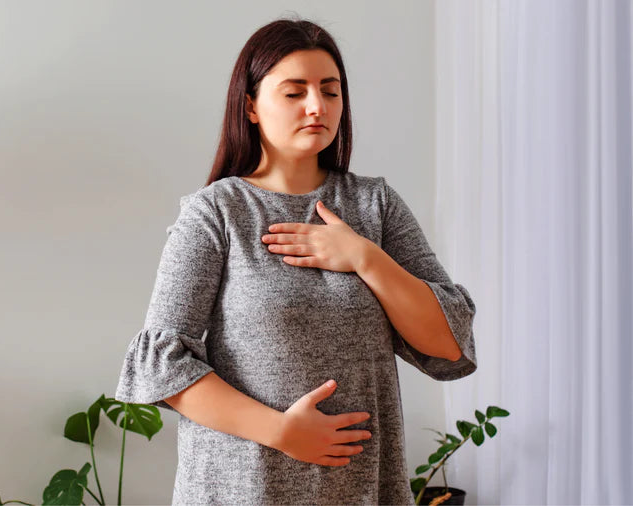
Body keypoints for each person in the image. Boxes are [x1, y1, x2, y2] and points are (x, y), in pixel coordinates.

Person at [114, 17, 477, 505]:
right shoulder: (216, 212)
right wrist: (282, 431)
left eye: (330, 91)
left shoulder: (376, 206)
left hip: (360, 490)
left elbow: (448, 343)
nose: (316, 106)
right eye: (294, 92)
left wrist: (365, 257)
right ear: (251, 106)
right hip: (244, 488)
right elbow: (161, 363)